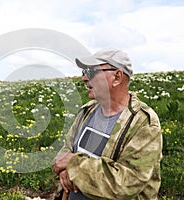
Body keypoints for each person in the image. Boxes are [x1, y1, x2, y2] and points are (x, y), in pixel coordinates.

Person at [53, 48, 162, 200]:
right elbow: (66, 150)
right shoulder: (86, 111)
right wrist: (64, 170)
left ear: (117, 77)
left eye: (91, 72)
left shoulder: (144, 123)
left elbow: (128, 183)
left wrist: (73, 165)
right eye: (84, 72)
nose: (84, 78)